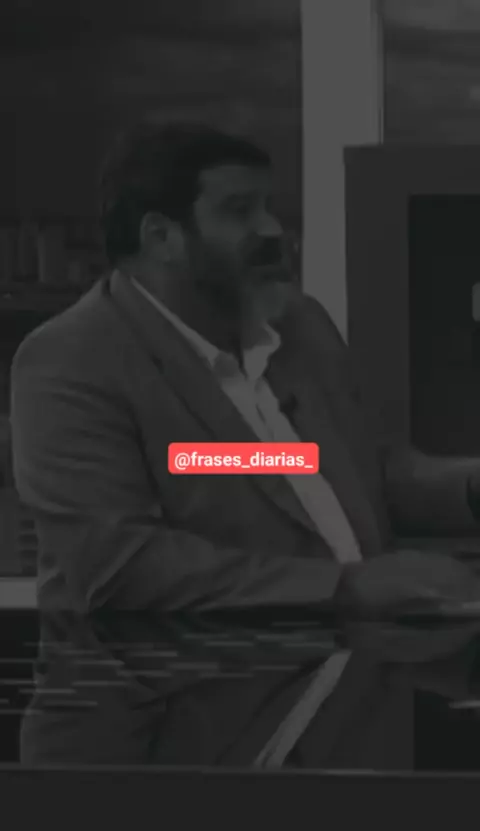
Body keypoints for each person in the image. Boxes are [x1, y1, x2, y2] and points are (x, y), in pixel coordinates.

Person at [9, 123, 480, 769]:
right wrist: (346, 588)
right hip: (155, 725)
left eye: (269, 207)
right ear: (161, 236)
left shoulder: (299, 326)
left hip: (339, 684)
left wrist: (470, 488)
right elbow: (117, 566)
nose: (271, 230)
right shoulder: (71, 359)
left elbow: (348, 469)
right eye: (239, 211)